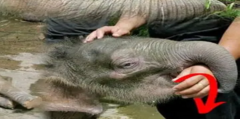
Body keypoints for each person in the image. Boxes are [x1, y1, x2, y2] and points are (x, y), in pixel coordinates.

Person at [44, 14, 240, 119]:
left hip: (220, 48)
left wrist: (213, 63)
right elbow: (147, 0)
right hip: (166, 47)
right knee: (178, 105)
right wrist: (124, 25)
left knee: (211, 103)